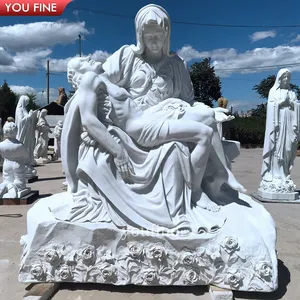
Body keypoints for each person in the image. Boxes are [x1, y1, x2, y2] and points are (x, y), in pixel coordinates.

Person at [56, 4, 244, 234]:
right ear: (140, 35)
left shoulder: (177, 64)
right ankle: (198, 192)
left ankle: (219, 178)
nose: (154, 41)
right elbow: (84, 118)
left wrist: (208, 109)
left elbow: (188, 99)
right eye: (148, 35)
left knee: (206, 116)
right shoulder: (115, 64)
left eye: (159, 35)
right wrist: (115, 151)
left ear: (167, 35)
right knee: (201, 132)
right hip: (142, 126)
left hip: (160, 114)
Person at [261, 68, 300, 190]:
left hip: (289, 124)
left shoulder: (292, 93)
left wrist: (294, 104)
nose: (286, 80)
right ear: (279, 79)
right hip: (278, 125)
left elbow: (297, 105)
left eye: (288, 78)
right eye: (284, 77)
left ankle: (286, 173)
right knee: (278, 149)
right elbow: (271, 106)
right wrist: (280, 103)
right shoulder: (274, 92)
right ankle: (276, 174)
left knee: (288, 148)